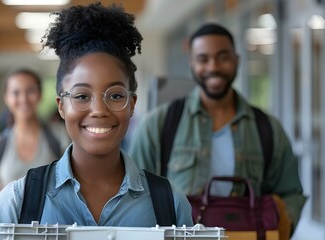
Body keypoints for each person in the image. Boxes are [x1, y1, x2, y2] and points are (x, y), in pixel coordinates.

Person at [0, 3, 193, 239]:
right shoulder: (15, 204)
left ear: (132, 104)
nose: (99, 110)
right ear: (61, 106)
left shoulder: (169, 204)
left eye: (115, 95)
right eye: (82, 96)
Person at [129, 23, 306, 233]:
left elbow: (291, 193)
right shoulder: (157, 124)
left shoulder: (268, 128)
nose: (213, 67)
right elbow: (134, 195)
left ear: (237, 60)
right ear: (192, 63)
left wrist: (280, 226)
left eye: (223, 57)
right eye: (203, 59)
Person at [0, 68, 70, 216]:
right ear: (6, 97)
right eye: (16, 92)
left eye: (30, 91)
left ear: (40, 95)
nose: (23, 98)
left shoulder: (60, 136)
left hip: (52, 229)